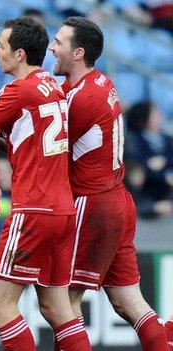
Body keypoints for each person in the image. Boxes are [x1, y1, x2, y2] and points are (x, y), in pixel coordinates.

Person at [0, 17, 91, 350]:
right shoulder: (50, 86)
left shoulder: (19, 90)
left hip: (33, 210)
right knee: (57, 307)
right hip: (63, 211)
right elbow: (26, 136)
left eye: (1, 47)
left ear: (19, 54)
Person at [48, 16, 170, 350]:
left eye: (58, 42)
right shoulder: (101, 83)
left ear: (78, 53)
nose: (51, 47)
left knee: (63, 304)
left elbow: (43, 149)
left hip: (92, 202)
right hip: (116, 199)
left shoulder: (80, 99)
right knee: (128, 301)